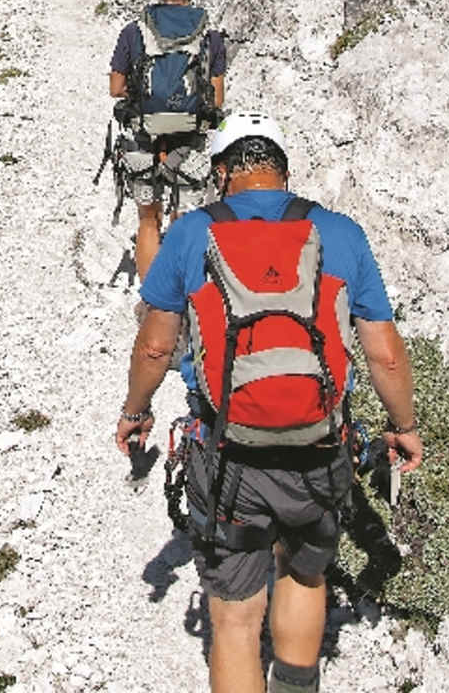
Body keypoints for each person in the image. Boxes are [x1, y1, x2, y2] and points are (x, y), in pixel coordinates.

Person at [113, 112, 423, 693]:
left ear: (226, 172)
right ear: (283, 173)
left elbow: (156, 346)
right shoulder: (340, 232)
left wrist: (135, 413)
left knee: (233, 616)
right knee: (303, 576)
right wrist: (402, 425)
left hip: (230, 453)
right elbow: (382, 353)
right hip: (320, 445)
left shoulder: (191, 233)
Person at [108, 0, 227, 284]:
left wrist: (145, 96)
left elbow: (116, 88)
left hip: (142, 135)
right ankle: (184, 299)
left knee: (148, 219)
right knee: (185, 218)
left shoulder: (135, 31)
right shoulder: (211, 36)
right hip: (190, 139)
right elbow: (216, 98)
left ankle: (152, 303)